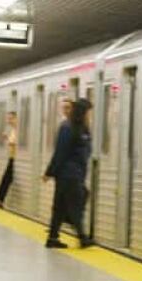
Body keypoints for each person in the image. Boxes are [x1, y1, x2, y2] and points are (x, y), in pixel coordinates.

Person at [43, 99, 95, 249]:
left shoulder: (82, 128)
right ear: (82, 112)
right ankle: (82, 237)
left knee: (60, 206)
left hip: (74, 173)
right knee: (76, 203)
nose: (90, 115)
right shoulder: (67, 127)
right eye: (88, 112)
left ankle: (52, 238)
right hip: (68, 174)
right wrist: (49, 172)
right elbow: (60, 152)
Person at [0, 111, 17, 207]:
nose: (9, 121)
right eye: (8, 119)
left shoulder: (17, 130)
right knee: (7, 178)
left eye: (11, 118)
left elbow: (13, 143)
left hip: (14, 158)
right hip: (11, 157)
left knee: (6, 179)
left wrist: (7, 137)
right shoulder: (12, 130)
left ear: (16, 118)